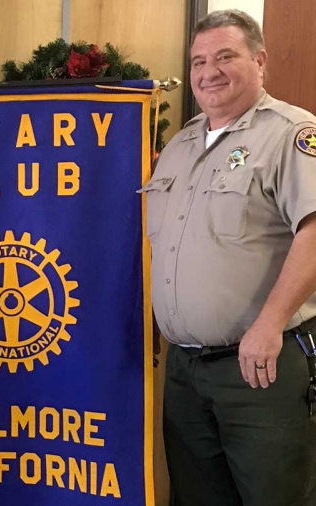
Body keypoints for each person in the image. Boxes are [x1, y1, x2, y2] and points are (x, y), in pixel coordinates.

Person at [140, 9, 316, 506]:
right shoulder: (179, 145)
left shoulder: (290, 134)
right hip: (185, 372)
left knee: (274, 496)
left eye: (225, 56)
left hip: (260, 366)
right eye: (198, 61)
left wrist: (270, 323)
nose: (208, 72)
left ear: (260, 61)